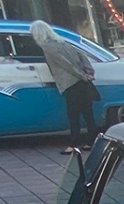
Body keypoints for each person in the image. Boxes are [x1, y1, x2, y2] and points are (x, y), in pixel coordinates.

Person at [32, 20, 97, 154]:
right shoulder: (62, 42)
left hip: (70, 82)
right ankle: (92, 141)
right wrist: (88, 72)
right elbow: (82, 56)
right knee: (87, 113)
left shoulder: (48, 47)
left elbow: (65, 64)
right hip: (81, 83)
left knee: (73, 115)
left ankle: (74, 144)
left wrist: (82, 76)